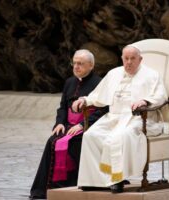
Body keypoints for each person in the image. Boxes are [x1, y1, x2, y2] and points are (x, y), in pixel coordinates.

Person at [72, 45, 168, 193]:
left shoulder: (151, 75)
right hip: (114, 117)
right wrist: (85, 100)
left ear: (140, 59)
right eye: (126, 58)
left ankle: (117, 180)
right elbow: (98, 95)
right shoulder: (114, 73)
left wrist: (145, 101)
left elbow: (161, 96)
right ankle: (94, 181)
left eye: (133, 59)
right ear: (122, 59)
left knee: (121, 136)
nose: (129, 62)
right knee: (91, 135)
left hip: (140, 118)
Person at [30, 49, 107, 199]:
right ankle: (43, 190)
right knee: (52, 141)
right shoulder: (69, 82)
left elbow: (104, 109)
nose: (76, 66)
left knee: (73, 143)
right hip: (67, 126)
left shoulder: (99, 83)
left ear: (91, 65)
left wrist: (83, 125)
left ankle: (73, 187)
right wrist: (59, 123)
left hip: (87, 126)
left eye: (81, 64)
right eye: (74, 63)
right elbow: (63, 107)